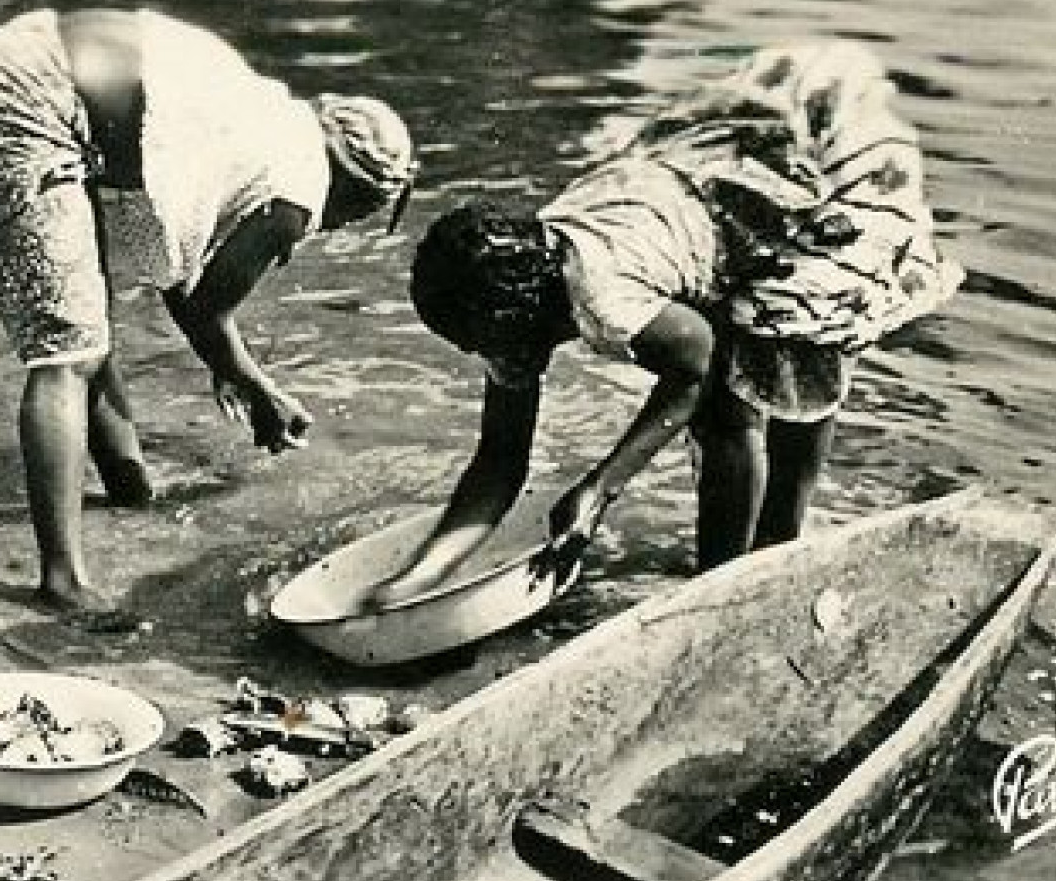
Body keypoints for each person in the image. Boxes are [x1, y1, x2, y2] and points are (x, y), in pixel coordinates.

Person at [368, 41, 959, 609]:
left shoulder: (597, 292)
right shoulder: (515, 298)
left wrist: (601, 488)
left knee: (778, 372)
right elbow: (501, 459)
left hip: (801, 178)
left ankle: (760, 561)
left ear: (523, 317)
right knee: (725, 408)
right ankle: (732, 571)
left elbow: (695, 361)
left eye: (486, 345)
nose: (488, 360)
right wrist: (411, 582)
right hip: (696, 197)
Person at [0, 8, 415, 622]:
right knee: (68, 357)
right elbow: (205, 305)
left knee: (88, 318)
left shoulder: (271, 120)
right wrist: (255, 383)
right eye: (361, 214)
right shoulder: (298, 192)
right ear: (357, 189)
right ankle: (62, 582)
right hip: (34, 99)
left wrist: (237, 371)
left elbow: (182, 279)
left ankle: (127, 487)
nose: (341, 226)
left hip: (36, 59)